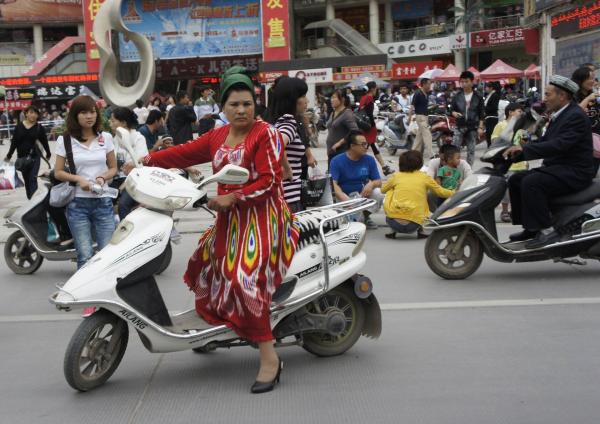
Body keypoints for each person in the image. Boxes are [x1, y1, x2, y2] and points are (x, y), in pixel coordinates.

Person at [134, 67, 298, 394]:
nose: (241, 110)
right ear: (222, 107)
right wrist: (146, 161)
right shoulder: (218, 136)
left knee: (244, 279)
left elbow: (269, 180)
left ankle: (269, 357)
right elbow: (183, 153)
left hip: (264, 219)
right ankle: (221, 328)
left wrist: (234, 196)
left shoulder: (265, 134)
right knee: (206, 266)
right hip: (230, 217)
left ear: (256, 105)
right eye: (234, 104)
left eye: (247, 104)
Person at [504, 75, 596, 248]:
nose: (544, 99)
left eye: (548, 95)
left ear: (562, 96)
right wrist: (519, 150)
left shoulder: (575, 116)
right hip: (559, 168)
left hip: (575, 171)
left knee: (532, 182)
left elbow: (559, 145)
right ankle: (531, 228)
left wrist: (526, 150)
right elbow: (546, 141)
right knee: (516, 179)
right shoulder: (559, 115)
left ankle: (546, 231)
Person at [54, 95, 117, 281]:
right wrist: (78, 179)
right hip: (77, 204)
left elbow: (113, 168)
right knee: (85, 255)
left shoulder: (105, 138)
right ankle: (86, 298)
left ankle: (105, 294)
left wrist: (102, 177)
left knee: (106, 255)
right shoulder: (65, 140)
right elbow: (58, 172)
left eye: (92, 112)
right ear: (75, 115)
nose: (89, 116)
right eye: (84, 112)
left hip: (103, 202)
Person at [269, 76, 316, 212]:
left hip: (284, 196)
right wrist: (287, 168)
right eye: (303, 96)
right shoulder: (288, 122)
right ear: (292, 100)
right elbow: (276, 144)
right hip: (289, 199)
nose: (306, 101)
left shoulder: (278, 121)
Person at [383, 150, 453, 239]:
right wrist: (456, 192)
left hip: (393, 223)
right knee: (422, 195)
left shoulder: (396, 176)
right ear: (420, 163)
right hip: (415, 224)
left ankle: (392, 231)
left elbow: (383, 190)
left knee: (391, 190)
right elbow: (441, 192)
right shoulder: (425, 177)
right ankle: (421, 231)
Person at [330, 131, 383, 229]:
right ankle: (350, 218)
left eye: (366, 144)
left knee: (378, 192)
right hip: (343, 197)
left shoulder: (369, 160)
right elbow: (333, 184)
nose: (366, 147)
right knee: (347, 224)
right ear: (352, 146)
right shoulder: (336, 161)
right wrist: (345, 199)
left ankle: (366, 217)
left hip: (362, 195)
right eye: (363, 144)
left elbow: (378, 181)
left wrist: (371, 185)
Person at [109, 107, 149, 220]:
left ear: (123, 123)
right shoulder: (114, 139)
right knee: (103, 202)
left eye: (113, 120)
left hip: (133, 180)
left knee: (123, 205)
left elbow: (142, 160)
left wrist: (130, 165)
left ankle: (129, 234)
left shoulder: (138, 138)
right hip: (116, 179)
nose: (110, 123)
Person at [4, 105, 51, 199]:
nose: (33, 115)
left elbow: (44, 141)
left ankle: (35, 202)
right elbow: (14, 142)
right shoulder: (19, 127)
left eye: (35, 113)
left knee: (32, 179)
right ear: (26, 114)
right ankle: (30, 199)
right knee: (27, 181)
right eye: (31, 112)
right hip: (22, 158)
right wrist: (9, 155)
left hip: (34, 157)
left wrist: (48, 153)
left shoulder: (39, 127)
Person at [490, 102, 526, 222]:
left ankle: (515, 211)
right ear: (510, 112)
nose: (521, 113)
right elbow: (494, 139)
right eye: (519, 111)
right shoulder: (501, 125)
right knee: (506, 189)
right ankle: (504, 211)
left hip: (520, 162)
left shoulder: (521, 127)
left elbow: (523, 143)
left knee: (519, 189)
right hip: (507, 163)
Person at [451, 71, 485, 166]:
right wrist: (454, 113)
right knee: (454, 149)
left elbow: (481, 113)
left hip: (472, 126)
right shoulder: (457, 96)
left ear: (472, 82)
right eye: (462, 82)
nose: (464, 84)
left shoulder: (478, 96)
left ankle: (468, 170)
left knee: (471, 150)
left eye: (466, 81)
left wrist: (480, 127)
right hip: (459, 125)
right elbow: (451, 110)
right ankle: (454, 168)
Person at [360, 81, 392, 175]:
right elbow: (369, 114)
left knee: (372, 146)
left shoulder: (363, 98)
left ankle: (384, 167)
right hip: (368, 127)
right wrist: (373, 126)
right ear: (373, 88)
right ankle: (360, 168)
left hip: (363, 126)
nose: (377, 90)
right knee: (364, 149)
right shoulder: (369, 98)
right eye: (376, 88)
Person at [326, 89, 359, 165]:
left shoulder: (347, 114)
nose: (332, 100)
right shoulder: (333, 113)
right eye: (331, 98)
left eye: (334, 97)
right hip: (331, 152)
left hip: (342, 152)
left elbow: (355, 131)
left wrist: (340, 143)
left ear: (343, 99)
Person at [572, 66, 600, 138]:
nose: (593, 81)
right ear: (580, 80)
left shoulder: (594, 96)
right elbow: (574, 113)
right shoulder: (571, 97)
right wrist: (587, 99)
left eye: (593, 78)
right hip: (581, 137)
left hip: (597, 136)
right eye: (590, 78)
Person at [410, 78, 434, 160]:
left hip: (425, 117)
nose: (430, 85)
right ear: (423, 84)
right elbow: (412, 105)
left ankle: (412, 153)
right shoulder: (418, 93)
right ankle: (431, 154)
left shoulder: (426, 94)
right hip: (420, 117)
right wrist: (409, 117)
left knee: (419, 137)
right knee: (428, 135)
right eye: (429, 84)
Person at [484, 82, 501, 147]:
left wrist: (485, 108)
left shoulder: (495, 95)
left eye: (486, 87)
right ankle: (490, 146)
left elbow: (494, 107)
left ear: (491, 88)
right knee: (488, 133)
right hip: (488, 117)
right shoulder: (489, 95)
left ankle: (492, 147)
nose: (485, 89)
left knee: (491, 133)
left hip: (492, 117)